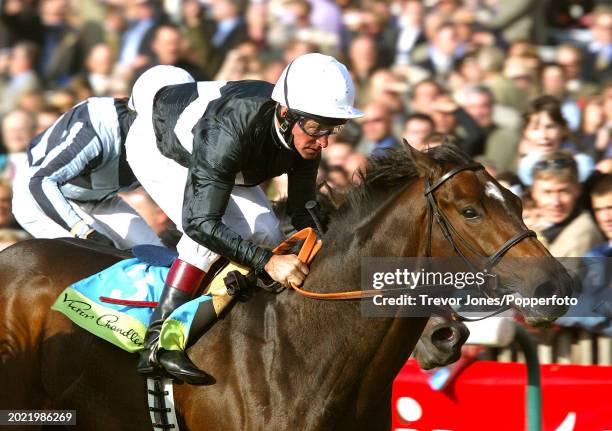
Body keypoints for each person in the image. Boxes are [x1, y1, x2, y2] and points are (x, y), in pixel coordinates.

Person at [126, 55, 363, 384]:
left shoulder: (305, 130)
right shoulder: (232, 129)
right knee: (203, 244)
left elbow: (301, 208)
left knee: (266, 229)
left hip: (220, 151)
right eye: (315, 127)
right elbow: (200, 222)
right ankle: (159, 345)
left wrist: (340, 249)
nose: (323, 140)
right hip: (160, 147)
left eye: (332, 128)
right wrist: (268, 263)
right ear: (285, 114)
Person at [11, 97, 163, 249]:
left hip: (99, 198)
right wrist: (86, 233)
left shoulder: (172, 137)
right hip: (40, 197)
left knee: (159, 256)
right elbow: (40, 181)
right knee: (101, 256)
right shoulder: (100, 129)